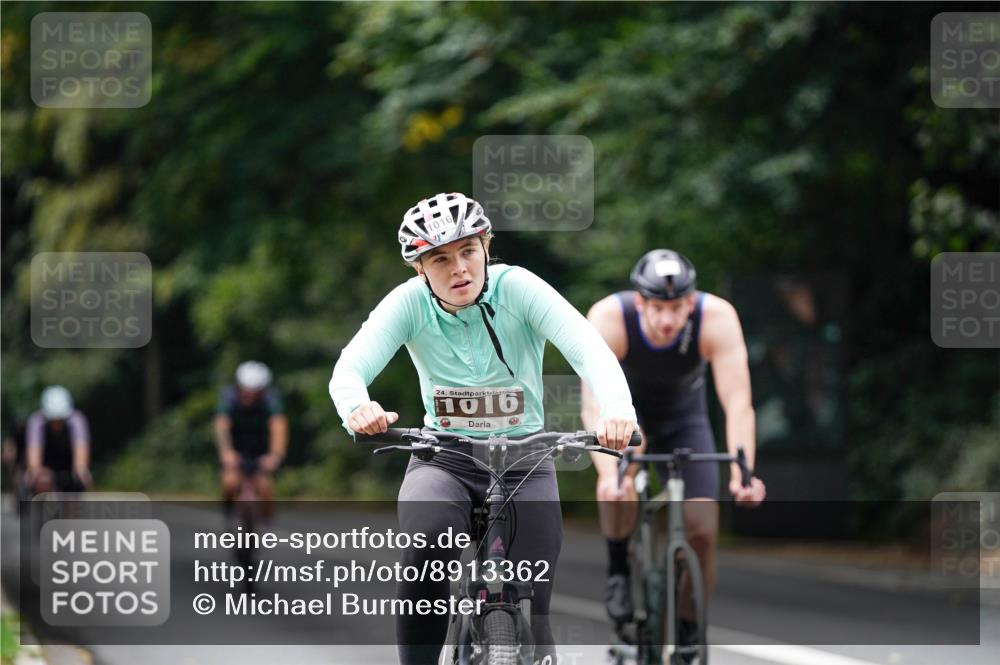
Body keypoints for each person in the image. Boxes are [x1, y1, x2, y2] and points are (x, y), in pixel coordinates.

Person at [329, 192, 639, 665]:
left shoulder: (519, 288)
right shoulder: (409, 304)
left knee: (534, 609)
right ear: (420, 269)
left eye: (468, 251)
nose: (459, 269)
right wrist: (358, 407)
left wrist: (616, 408)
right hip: (443, 458)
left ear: (486, 246)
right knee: (426, 547)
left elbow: (589, 350)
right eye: (440, 259)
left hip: (526, 460)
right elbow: (349, 369)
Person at [581, 249, 767, 639]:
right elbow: (594, 405)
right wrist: (611, 475)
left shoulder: (717, 318)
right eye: (658, 309)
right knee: (618, 485)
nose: (668, 320)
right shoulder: (609, 318)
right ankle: (618, 568)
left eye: (678, 308)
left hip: (685, 419)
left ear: (691, 302)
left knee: (702, 528)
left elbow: (737, 403)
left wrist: (743, 472)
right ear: (640, 303)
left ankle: (686, 630)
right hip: (625, 415)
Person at [214, 361, 288, 520]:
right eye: (246, 392)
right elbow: (221, 425)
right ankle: (228, 516)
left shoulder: (271, 399)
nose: (251, 396)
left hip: (259, 446)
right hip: (236, 445)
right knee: (230, 483)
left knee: (265, 488)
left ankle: (267, 524)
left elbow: (279, 427)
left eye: (256, 393)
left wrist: (276, 455)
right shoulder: (229, 396)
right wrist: (226, 451)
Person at [25, 386, 92, 494]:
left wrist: (81, 472)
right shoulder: (36, 422)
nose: (56, 424)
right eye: (53, 420)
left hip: (69, 463)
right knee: (39, 479)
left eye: (60, 420)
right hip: (46, 463)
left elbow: (81, 456)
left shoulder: (78, 421)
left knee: (79, 481)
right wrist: (36, 473)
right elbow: (34, 459)